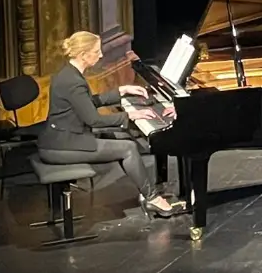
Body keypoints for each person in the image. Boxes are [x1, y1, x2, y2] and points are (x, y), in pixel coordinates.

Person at [38, 31, 183, 218]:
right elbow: (94, 120)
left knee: (124, 138)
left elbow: (87, 102)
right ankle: (153, 198)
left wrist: (121, 90)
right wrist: (130, 115)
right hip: (62, 146)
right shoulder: (73, 82)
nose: (100, 55)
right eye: (96, 51)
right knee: (128, 148)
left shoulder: (69, 74)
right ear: (83, 55)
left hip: (61, 139)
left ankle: (150, 191)